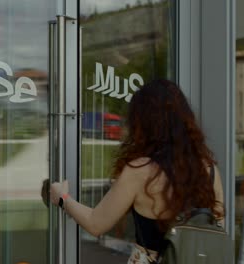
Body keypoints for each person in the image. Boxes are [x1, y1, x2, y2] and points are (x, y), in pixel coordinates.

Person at [50, 79, 224, 264]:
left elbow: (96, 223)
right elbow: (218, 226)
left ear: (143, 123)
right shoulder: (209, 169)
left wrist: (62, 198)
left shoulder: (140, 171)